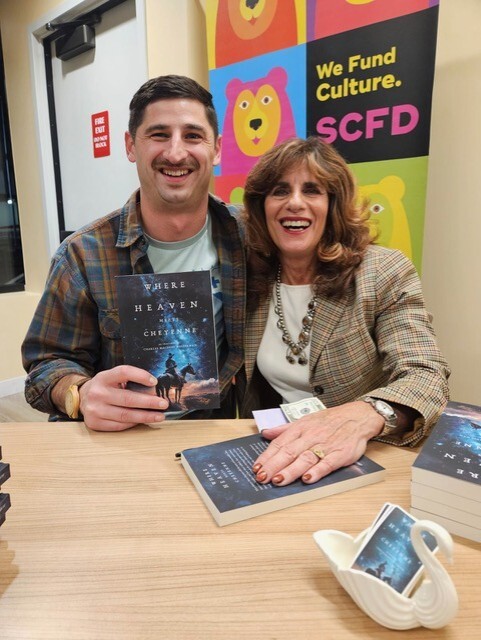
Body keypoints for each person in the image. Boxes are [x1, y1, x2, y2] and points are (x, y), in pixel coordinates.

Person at [22, 75, 245, 431]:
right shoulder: (82, 255)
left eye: (192, 135)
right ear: (130, 145)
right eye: (159, 135)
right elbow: (45, 364)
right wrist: (80, 393)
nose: (175, 152)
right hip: (115, 442)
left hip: (211, 435)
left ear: (216, 148)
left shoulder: (249, 237)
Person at [239, 136, 450, 486]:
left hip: (369, 456)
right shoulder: (248, 277)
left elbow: (427, 376)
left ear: (333, 204)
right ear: (262, 207)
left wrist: (363, 415)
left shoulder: (382, 271)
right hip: (281, 453)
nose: (294, 203)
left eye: (312, 190)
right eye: (279, 191)